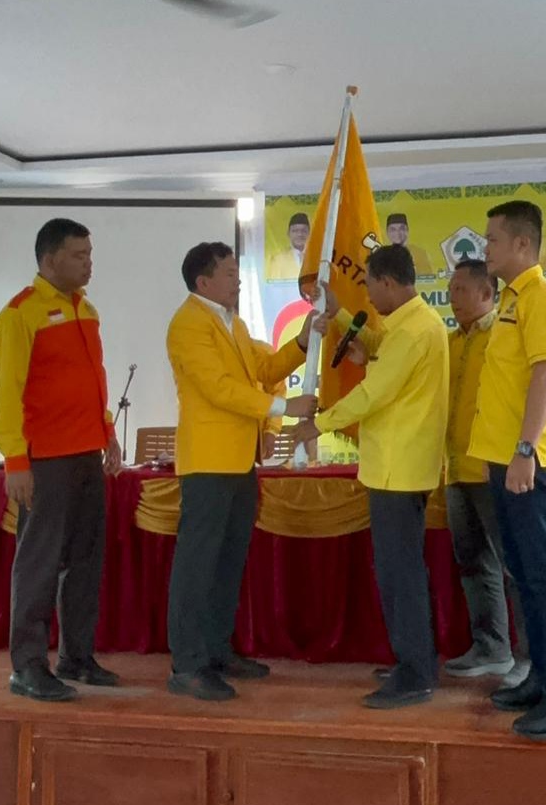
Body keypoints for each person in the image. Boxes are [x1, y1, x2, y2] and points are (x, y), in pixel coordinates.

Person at [165, 241, 321, 701]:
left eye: (237, 272)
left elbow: (266, 366)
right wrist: (283, 408)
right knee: (197, 566)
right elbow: (219, 388)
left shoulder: (232, 322)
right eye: (230, 273)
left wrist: (303, 340)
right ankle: (187, 664)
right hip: (208, 462)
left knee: (227, 563)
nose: (237, 280)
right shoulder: (188, 324)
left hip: (239, 461)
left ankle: (217, 650)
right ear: (203, 281)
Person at [296, 244, 449, 709]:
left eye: (368, 285)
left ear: (387, 282)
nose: (368, 295)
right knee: (402, 571)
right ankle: (416, 660)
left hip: (398, 469)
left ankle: (415, 673)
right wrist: (340, 315)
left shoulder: (413, 332)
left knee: (399, 574)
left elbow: (373, 393)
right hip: (398, 466)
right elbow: (379, 351)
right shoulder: (411, 325)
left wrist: (317, 423)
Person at [468, 200, 546, 741]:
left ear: (522, 244)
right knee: (524, 576)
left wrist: (524, 450)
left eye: (492, 239)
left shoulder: (541, 298)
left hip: (530, 462)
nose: (485, 248)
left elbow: (545, 377)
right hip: (505, 460)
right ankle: (542, 676)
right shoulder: (512, 300)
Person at [0, 218, 121, 702]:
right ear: (49, 260)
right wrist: (14, 461)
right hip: (45, 459)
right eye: (78, 255)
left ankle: (76, 657)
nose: (89, 263)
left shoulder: (86, 309)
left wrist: (108, 433)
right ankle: (27, 666)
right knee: (39, 563)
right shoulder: (20, 314)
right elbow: (6, 395)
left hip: (87, 452)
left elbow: (94, 380)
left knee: (85, 561)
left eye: (90, 254)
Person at [442, 259, 528, 685]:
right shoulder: (450, 342)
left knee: (515, 567)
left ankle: (529, 659)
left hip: (495, 468)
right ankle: (492, 648)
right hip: (456, 469)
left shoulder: (503, 335)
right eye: (450, 290)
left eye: (461, 290)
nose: (452, 298)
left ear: (487, 294)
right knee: (474, 563)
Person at [266, 212, 310, 281]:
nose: (300, 234)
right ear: (288, 234)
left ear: (309, 233)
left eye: (303, 231)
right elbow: (274, 285)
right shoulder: (278, 260)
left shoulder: (317, 258)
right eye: (295, 231)